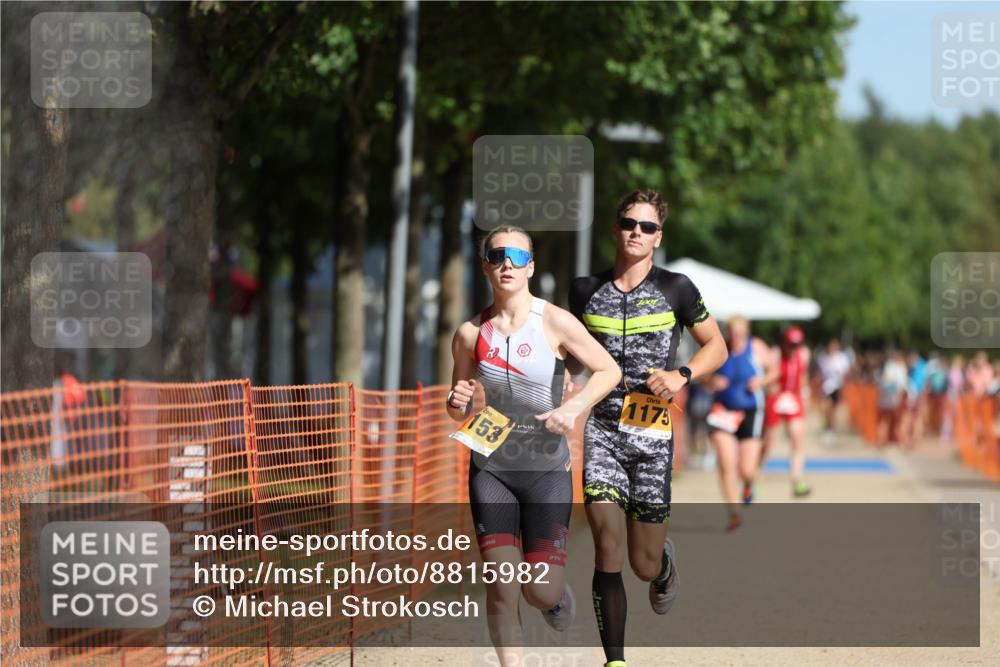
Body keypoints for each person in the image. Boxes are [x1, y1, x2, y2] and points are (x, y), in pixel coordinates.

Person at [447, 225, 621, 667]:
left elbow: (608, 371)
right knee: (502, 584)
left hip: (545, 468)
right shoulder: (470, 333)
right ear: (485, 264)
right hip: (492, 469)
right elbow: (458, 406)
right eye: (498, 255)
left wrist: (574, 408)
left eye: (518, 257)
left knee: (538, 589)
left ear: (531, 267)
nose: (508, 263)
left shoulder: (555, 321)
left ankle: (555, 600)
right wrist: (457, 400)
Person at [567, 189, 727, 667]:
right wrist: (564, 389)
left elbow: (716, 346)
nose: (637, 232)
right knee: (606, 543)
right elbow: (565, 353)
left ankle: (664, 565)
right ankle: (614, 659)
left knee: (643, 563)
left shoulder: (676, 287)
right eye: (629, 223)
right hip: (601, 430)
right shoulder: (582, 291)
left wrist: (682, 374)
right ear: (615, 229)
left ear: (659, 236)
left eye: (648, 226)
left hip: (652, 434)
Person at [706, 315, 778, 532]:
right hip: (723, 413)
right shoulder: (719, 348)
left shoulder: (756, 347)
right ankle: (734, 514)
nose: (736, 337)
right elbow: (702, 375)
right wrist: (712, 381)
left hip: (750, 412)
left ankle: (748, 484)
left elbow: (775, 371)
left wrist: (761, 381)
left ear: (746, 331)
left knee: (746, 469)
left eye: (740, 332)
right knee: (727, 465)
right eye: (732, 332)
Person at [760, 325, 812, 498]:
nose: (793, 349)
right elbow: (769, 374)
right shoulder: (775, 354)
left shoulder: (803, 355)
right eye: (791, 345)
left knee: (798, 438)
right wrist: (771, 385)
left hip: (793, 397)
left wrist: (805, 395)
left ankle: (797, 480)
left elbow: (803, 377)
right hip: (777, 397)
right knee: (768, 441)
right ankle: (754, 476)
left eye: (796, 345)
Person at [816, 339, 851, 445]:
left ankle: (830, 430)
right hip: (826, 387)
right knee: (824, 408)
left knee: (832, 410)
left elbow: (845, 374)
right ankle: (828, 427)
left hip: (836, 387)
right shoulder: (824, 359)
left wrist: (843, 388)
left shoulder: (842, 359)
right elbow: (821, 374)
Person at [876, 350, 909, 447]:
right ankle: (892, 440)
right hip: (893, 397)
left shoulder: (890, 366)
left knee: (887, 420)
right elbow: (901, 384)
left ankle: (884, 440)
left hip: (888, 397)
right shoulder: (898, 367)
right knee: (895, 420)